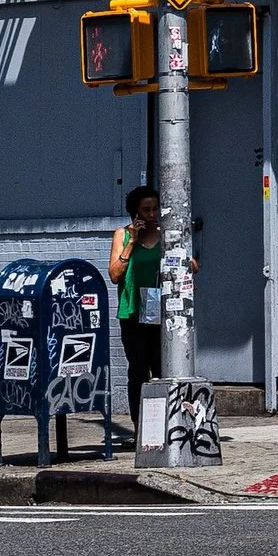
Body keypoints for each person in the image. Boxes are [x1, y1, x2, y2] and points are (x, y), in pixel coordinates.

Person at [110, 184, 163, 437]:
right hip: (133, 312)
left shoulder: (167, 234)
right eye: (146, 210)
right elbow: (114, 274)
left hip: (161, 312)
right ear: (135, 213)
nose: (152, 215)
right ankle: (140, 427)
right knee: (138, 370)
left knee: (163, 368)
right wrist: (132, 242)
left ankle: (165, 425)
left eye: (155, 209)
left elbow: (193, 266)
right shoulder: (122, 236)